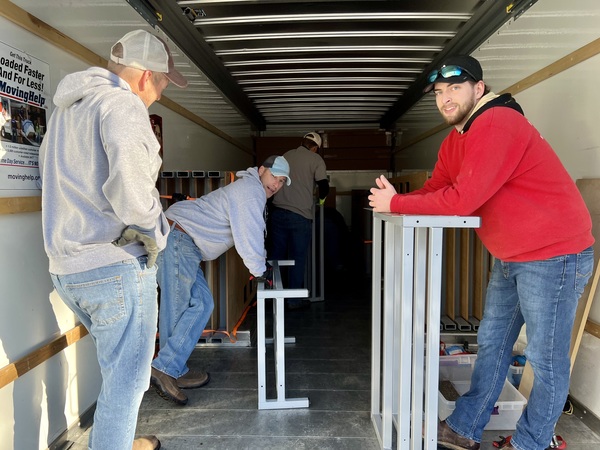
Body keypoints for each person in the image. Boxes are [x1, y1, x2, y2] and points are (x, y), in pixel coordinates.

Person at [368, 55, 594, 450]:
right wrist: (397, 199)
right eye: (439, 93)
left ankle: (531, 443)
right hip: (511, 257)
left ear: (479, 87)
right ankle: (464, 428)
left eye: (455, 88)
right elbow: (437, 187)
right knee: (492, 341)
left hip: (553, 256)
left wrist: (398, 206)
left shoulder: (498, 122)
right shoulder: (458, 137)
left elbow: (464, 199)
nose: (446, 99)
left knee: (546, 360)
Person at [37, 29, 188, 450]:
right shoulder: (123, 105)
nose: (158, 95)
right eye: (159, 84)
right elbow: (133, 194)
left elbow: (46, 177)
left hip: (67, 269)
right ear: (143, 76)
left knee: (116, 369)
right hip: (114, 267)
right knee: (128, 382)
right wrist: (158, 233)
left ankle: (115, 439)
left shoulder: (67, 112)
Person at [151, 155, 291, 405]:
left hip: (184, 241)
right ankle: (166, 369)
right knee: (178, 308)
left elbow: (253, 232)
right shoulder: (251, 191)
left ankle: (173, 367)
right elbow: (248, 235)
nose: (276, 185)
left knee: (202, 304)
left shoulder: (250, 190)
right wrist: (260, 269)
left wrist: (261, 264)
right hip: (179, 238)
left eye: (281, 181)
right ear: (261, 171)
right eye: (274, 177)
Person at [268, 132, 329, 309]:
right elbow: (323, 187)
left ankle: (271, 298)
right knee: (297, 258)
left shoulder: (286, 156)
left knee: (276, 257)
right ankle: (293, 301)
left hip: (278, 213)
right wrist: (320, 201)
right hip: (301, 216)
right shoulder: (316, 160)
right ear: (315, 147)